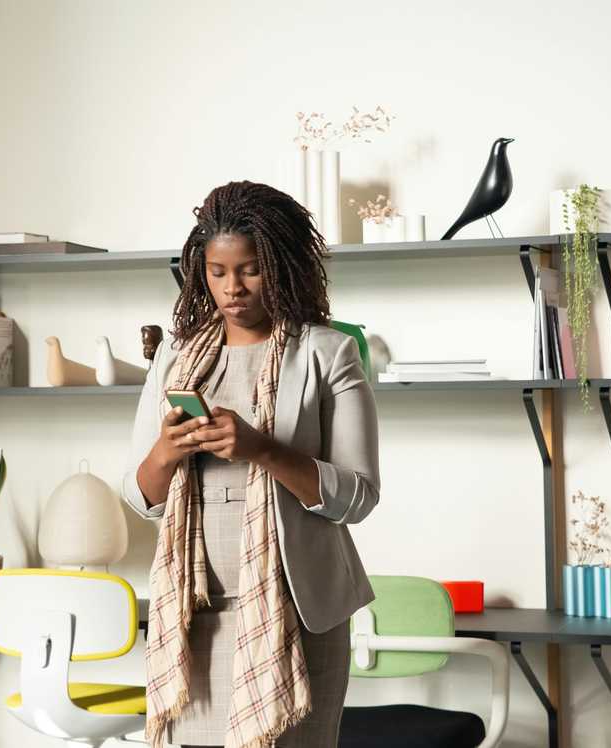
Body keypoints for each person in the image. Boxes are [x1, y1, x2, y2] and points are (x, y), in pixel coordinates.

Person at [120, 180, 380, 748]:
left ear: (282, 266)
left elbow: (359, 496)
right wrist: (168, 450)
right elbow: (141, 499)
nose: (232, 288)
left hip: (300, 611)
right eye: (217, 271)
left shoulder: (326, 351)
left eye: (249, 270)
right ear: (200, 271)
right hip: (196, 615)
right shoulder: (175, 356)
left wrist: (262, 449)